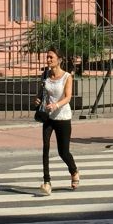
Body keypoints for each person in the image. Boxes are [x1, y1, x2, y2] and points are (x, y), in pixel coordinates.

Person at [37, 47, 79, 196]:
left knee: (63, 152)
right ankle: (47, 181)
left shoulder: (67, 77)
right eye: (47, 57)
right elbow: (42, 93)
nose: (48, 60)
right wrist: (39, 100)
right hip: (48, 116)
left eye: (51, 57)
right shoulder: (45, 75)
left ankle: (73, 170)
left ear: (59, 60)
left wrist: (56, 105)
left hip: (62, 116)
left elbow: (68, 97)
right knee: (46, 148)